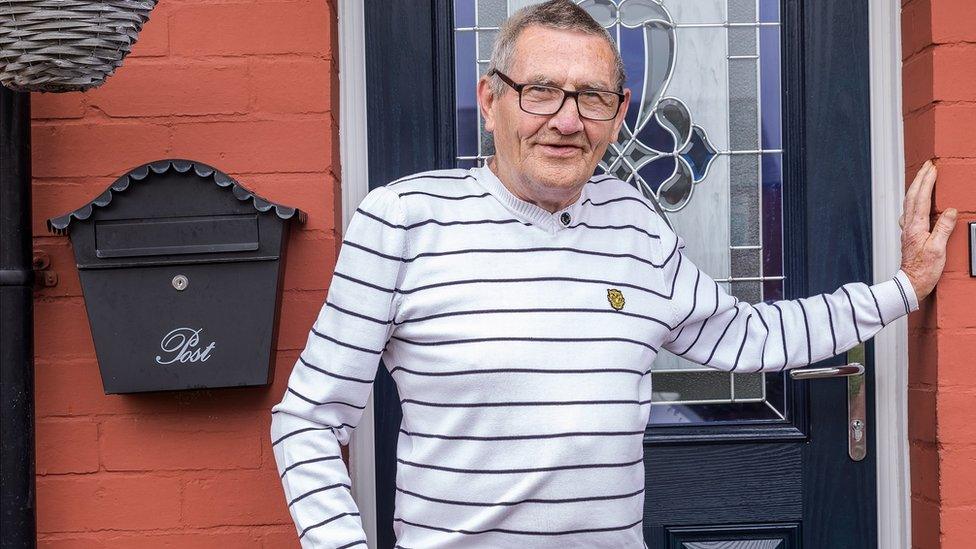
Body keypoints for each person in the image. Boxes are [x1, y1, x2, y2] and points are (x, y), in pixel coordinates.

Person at [269, 1, 957, 547]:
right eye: (540, 91)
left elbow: (747, 338)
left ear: (619, 112)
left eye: (592, 96)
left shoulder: (635, 223)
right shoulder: (402, 221)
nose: (566, 120)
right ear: (490, 99)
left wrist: (902, 289)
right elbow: (306, 418)